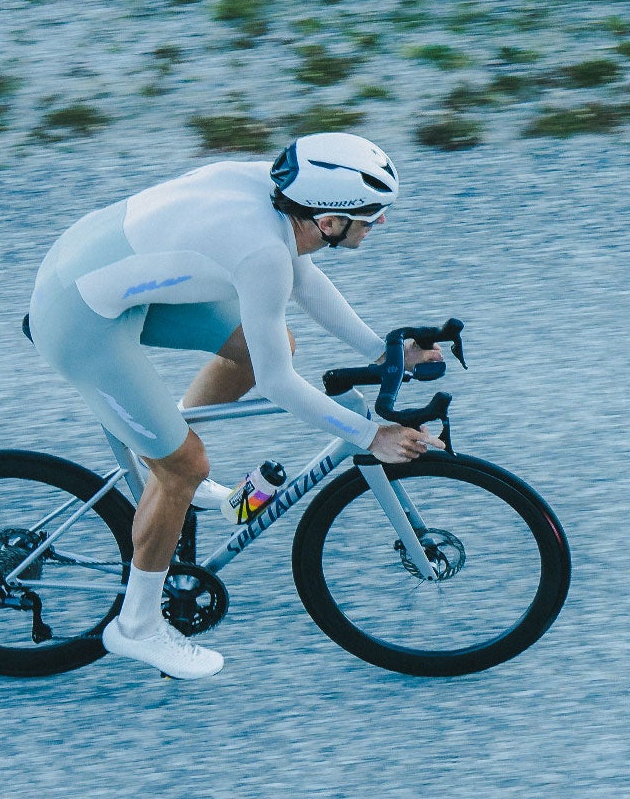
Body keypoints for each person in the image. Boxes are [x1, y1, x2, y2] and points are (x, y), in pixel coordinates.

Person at [26, 132, 442, 679]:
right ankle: (137, 626)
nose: (379, 222)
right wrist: (370, 436)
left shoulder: (276, 194)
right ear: (327, 221)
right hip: (80, 319)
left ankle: (168, 464)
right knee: (185, 464)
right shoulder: (262, 252)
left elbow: (302, 280)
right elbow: (277, 383)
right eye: (370, 215)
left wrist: (383, 352)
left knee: (266, 344)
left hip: (96, 271)